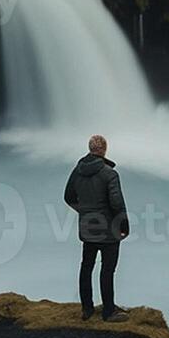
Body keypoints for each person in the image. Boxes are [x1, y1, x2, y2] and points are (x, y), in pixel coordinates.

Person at [64, 135, 131, 322]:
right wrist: (124, 225)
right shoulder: (109, 174)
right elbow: (117, 203)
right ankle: (108, 311)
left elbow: (68, 197)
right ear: (104, 150)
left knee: (86, 267)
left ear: (90, 148)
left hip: (87, 228)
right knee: (107, 269)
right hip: (109, 230)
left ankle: (87, 309)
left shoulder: (77, 171)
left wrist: (84, 211)